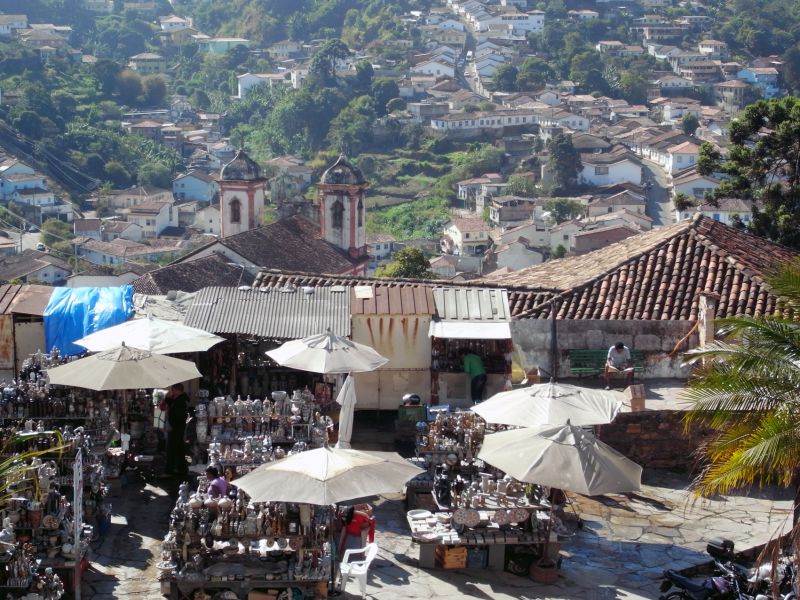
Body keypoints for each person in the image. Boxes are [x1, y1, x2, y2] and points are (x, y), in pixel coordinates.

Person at [163, 383, 189, 477]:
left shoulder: (181, 401)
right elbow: (173, 405)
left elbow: (178, 415)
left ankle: (170, 470)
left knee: (172, 448)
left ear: (178, 390)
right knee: (179, 448)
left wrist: (171, 426)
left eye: (173, 390)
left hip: (176, 427)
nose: (172, 392)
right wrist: (167, 399)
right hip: (177, 427)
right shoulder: (178, 399)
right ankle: (181, 468)